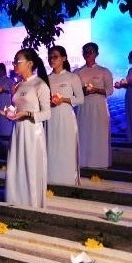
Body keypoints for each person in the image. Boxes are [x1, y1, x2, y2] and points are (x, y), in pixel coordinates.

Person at [1, 48, 51, 208]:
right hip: (17, 131)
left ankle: (32, 202)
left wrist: (28, 114)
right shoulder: (17, 86)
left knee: (30, 165)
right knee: (16, 164)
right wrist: (1, 112)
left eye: (18, 61)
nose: (14, 64)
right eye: (14, 61)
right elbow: (14, 110)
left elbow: (46, 114)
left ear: (30, 64)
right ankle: (15, 199)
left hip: (32, 131)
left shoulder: (40, 85)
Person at [46, 46, 84, 185]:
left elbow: (80, 99)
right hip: (50, 116)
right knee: (51, 146)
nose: (52, 59)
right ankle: (51, 177)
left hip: (66, 116)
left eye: (55, 56)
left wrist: (63, 99)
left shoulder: (72, 77)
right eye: (50, 57)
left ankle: (68, 179)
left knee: (66, 147)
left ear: (64, 58)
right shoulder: (46, 78)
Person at [74, 43, 114, 168]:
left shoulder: (104, 71)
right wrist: (82, 91)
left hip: (99, 105)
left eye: (90, 52)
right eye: (85, 52)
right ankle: (82, 161)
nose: (87, 54)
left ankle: (100, 162)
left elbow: (109, 90)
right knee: (83, 132)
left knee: (99, 133)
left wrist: (96, 90)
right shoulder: (77, 72)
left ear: (96, 53)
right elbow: (74, 91)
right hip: (83, 105)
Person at [0, 63, 15, 136]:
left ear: (3, 69)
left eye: (0, 69)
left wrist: (3, 91)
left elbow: (12, 92)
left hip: (7, 100)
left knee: (6, 115)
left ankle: (7, 134)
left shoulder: (10, 80)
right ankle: (0, 134)